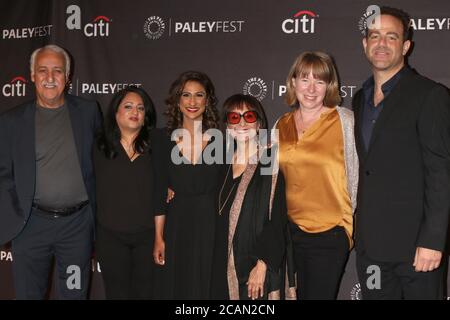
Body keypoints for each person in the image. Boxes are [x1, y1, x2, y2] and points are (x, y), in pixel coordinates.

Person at [353, 6, 450, 300]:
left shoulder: (429, 95)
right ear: (365, 43)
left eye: (391, 37)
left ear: (405, 46)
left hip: (417, 249)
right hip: (371, 248)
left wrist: (433, 240)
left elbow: (441, 172)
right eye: (375, 35)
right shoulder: (360, 99)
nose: (382, 44)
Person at [0, 44, 101, 299]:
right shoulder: (11, 121)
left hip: (77, 227)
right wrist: (15, 214)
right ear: (32, 75)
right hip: (31, 226)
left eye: (57, 71)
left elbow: (106, 159)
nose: (49, 77)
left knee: (75, 295)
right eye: (42, 70)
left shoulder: (88, 112)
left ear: (67, 76)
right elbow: (3, 173)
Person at [275, 51, 358, 299]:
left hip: (331, 232)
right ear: (292, 83)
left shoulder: (346, 121)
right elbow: (267, 177)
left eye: (319, 81)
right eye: (304, 79)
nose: (311, 88)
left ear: (329, 85)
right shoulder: (281, 124)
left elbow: (366, 173)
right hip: (289, 233)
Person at [210, 94, 288, 300]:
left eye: (249, 116)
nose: (242, 123)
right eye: (235, 117)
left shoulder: (269, 163)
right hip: (219, 265)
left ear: (259, 123)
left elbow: (278, 221)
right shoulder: (220, 165)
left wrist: (262, 265)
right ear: (227, 126)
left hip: (254, 268)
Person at [153, 70, 222, 299]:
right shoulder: (161, 139)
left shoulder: (221, 140)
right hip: (176, 225)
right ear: (177, 100)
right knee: (175, 285)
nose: (192, 102)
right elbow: (158, 191)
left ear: (207, 100)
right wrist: (159, 237)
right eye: (186, 95)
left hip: (211, 225)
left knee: (206, 285)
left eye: (199, 95)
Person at [94, 86, 164, 299]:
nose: (135, 111)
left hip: (147, 237)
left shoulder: (157, 143)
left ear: (146, 116)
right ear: (116, 112)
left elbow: (161, 191)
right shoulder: (98, 146)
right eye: (128, 106)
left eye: (140, 108)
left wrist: (159, 238)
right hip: (110, 238)